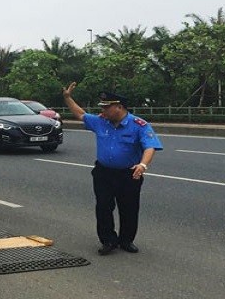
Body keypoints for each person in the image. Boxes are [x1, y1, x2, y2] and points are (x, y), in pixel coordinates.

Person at [63, 83, 163, 255]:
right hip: (104, 173)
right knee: (103, 207)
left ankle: (126, 240)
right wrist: (67, 98)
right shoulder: (101, 122)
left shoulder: (139, 125)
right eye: (102, 107)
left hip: (129, 174)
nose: (103, 111)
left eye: (106, 107)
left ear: (119, 107)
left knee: (129, 209)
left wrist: (143, 164)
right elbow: (80, 114)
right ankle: (108, 240)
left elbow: (150, 146)